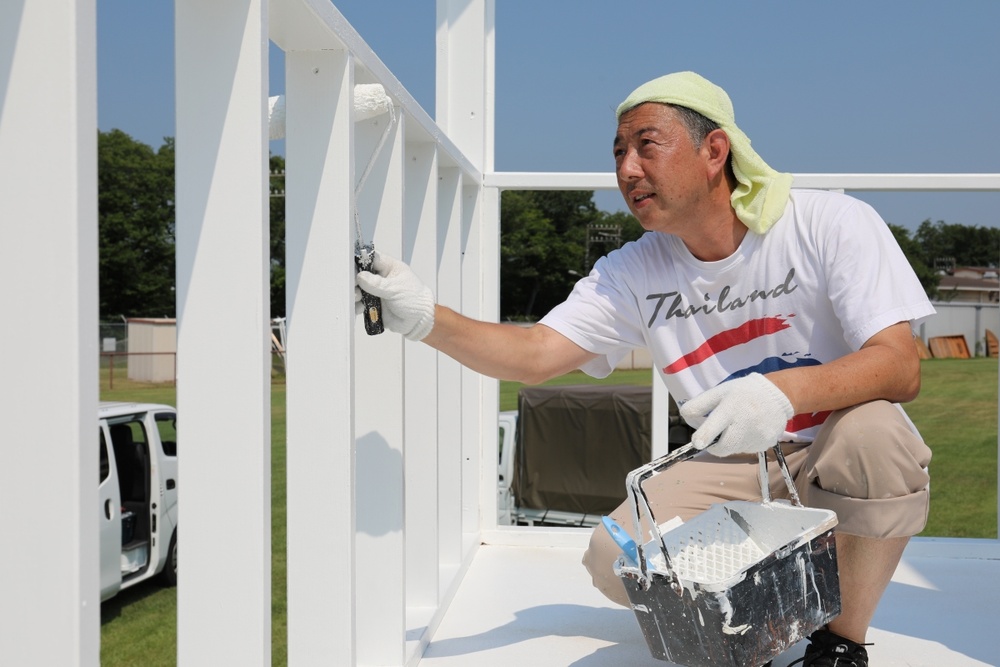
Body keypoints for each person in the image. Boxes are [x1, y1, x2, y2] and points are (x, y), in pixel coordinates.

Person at [355, 71, 934, 667]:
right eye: (618, 152)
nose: (627, 169)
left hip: (827, 448)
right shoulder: (633, 270)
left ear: (715, 151)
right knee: (615, 560)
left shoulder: (828, 223)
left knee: (875, 436)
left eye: (646, 146)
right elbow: (534, 355)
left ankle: (840, 641)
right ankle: (774, 605)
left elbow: (899, 366)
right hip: (733, 463)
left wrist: (781, 392)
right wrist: (425, 317)